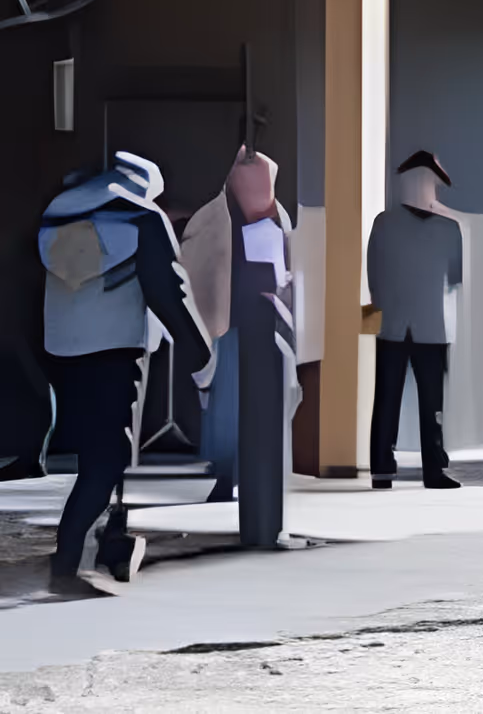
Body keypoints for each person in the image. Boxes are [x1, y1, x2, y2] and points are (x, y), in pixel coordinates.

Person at [38, 152, 210, 594]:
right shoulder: (144, 223)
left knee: (97, 452)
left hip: (63, 353)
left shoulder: (56, 217)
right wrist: (202, 355)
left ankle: (107, 534)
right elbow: (169, 293)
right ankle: (67, 564)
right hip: (116, 352)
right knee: (109, 457)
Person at [180, 149, 295, 503]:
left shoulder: (272, 217)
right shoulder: (215, 217)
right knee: (228, 404)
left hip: (261, 322)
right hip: (231, 324)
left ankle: (243, 472)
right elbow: (196, 267)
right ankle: (227, 472)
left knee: (251, 401)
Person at [366, 150, 463, 490]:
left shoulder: (389, 224)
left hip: (414, 325)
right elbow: (454, 282)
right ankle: (421, 469)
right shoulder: (448, 230)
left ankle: (394, 467)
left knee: (400, 399)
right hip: (423, 325)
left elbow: (373, 277)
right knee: (408, 399)